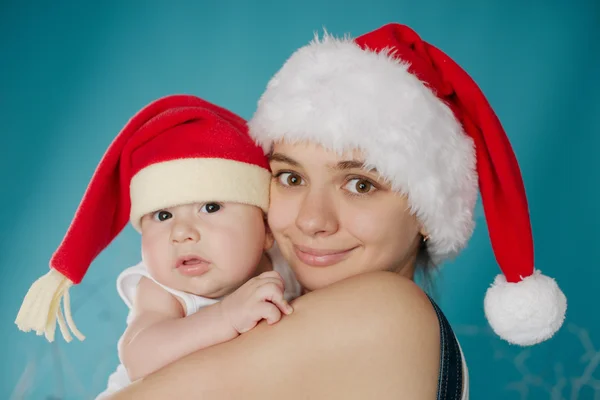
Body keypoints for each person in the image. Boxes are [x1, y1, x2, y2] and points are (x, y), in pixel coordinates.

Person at [13, 95, 301, 396]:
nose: (181, 232)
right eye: (163, 215)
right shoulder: (163, 291)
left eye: (211, 207)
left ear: (267, 228)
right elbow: (138, 355)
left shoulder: (285, 266)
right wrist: (226, 315)